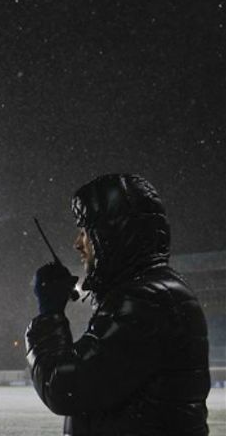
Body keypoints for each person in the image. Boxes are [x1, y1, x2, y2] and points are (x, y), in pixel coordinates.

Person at [26, 174, 210, 435]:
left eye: (84, 231)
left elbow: (65, 388)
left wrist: (49, 315)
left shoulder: (146, 300)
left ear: (111, 234)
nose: (77, 243)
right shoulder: (154, 292)